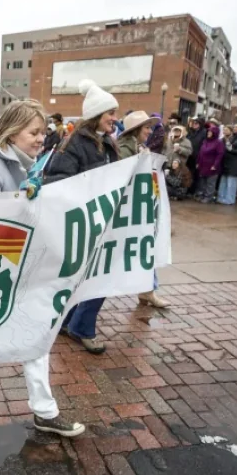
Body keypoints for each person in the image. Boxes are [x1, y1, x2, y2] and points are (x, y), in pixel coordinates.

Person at [0, 99, 85, 437]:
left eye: (43, 132)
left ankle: (44, 411)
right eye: (34, 132)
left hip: (22, 268)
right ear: (12, 132)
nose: (41, 138)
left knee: (38, 335)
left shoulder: (26, 163)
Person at [45, 81, 120, 353]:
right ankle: (82, 328)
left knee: (89, 277)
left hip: (103, 218)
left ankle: (67, 322)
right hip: (86, 222)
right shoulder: (73, 143)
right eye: (110, 112)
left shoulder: (106, 141)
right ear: (96, 115)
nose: (114, 118)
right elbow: (56, 181)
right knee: (99, 277)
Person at [116, 111, 167, 308]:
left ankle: (148, 290)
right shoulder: (125, 149)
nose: (150, 131)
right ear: (136, 129)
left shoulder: (138, 147)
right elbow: (123, 176)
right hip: (127, 210)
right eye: (146, 127)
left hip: (136, 208)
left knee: (146, 247)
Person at [217, 122, 237, 205]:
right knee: (224, 180)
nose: (234, 128)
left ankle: (229, 199)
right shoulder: (233, 137)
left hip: (236, 163)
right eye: (234, 127)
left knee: (232, 182)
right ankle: (221, 197)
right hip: (227, 161)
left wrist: (232, 150)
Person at [195, 125, 225, 203]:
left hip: (212, 166)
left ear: (214, 133)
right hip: (203, 165)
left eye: (210, 132)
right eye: (208, 132)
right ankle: (202, 195)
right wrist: (198, 162)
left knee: (210, 183)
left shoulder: (218, 143)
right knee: (202, 181)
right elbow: (200, 153)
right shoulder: (205, 141)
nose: (208, 133)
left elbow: (220, 155)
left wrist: (215, 165)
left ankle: (209, 197)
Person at [186, 115, 208, 192]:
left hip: (197, 156)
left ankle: (192, 190)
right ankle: (187, 188)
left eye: (196, 123)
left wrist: (199, 154)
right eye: (194, 123)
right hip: (189, 155)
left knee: (194, 174)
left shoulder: (204, 132)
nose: (194, 124)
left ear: (200, 124)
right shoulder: (191, 131)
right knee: (188, 172)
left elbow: (203, 145)